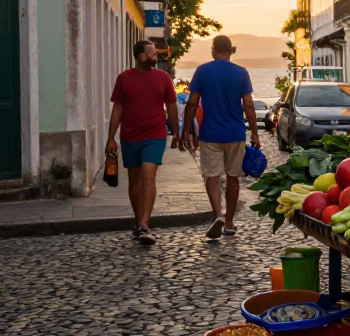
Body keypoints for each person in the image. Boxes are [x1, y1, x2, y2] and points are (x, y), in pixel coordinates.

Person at [181, 35, 261, 239]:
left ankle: (218, 214)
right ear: (231, 51)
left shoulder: (203, 71)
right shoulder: (241, 73)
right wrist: (254, 133)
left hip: (210, 133)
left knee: (212, 176)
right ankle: (229, 222)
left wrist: (186, 130)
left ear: (213, 50)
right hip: (235, 134)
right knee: (233, 178)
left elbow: (192, 103)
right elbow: (249, 105)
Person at [106, 40, 182, 245]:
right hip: (130, 136)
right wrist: (110, 138)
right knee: (135, 180)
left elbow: (172, 106)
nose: (156, 57)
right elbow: (117, 109)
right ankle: (138, 220)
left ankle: (145, 224)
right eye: (152, 54)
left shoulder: (163, 78)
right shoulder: (124, 79)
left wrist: (176, 132)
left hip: (155, 135)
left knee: (148, 174)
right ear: (141, 57)